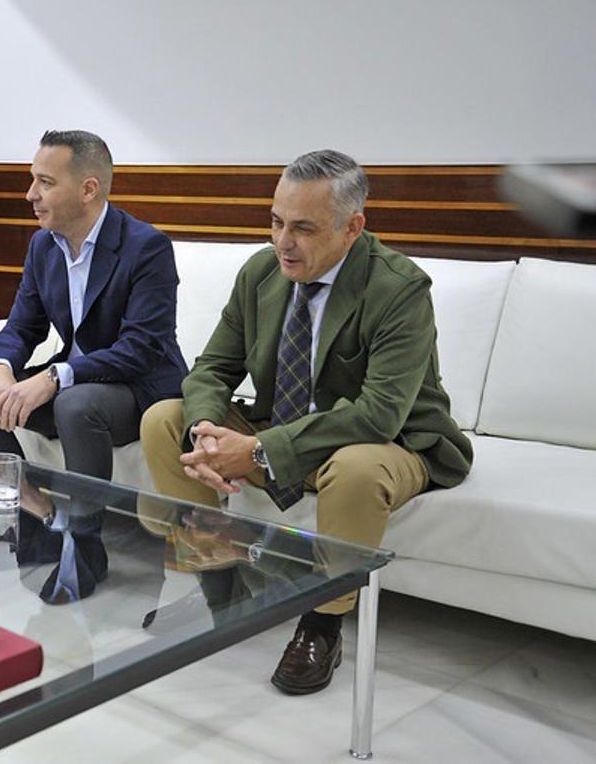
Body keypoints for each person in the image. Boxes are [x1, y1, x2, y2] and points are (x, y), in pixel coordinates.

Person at [140, 149, 472, 694]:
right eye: (275, 222)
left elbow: (379, 414)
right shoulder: (261, 273)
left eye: (302, 228)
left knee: (357, 469)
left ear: (352, 227)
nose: (282, 242)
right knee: (163, 418)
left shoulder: (399, 289)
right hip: (288, 429)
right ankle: (218, 586)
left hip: (392, 441)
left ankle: (323, 620)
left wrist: (258, 451)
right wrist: (204, 428)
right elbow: (212, 368)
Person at [0, 130, 187, 480]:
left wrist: (55, 377)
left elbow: (140, 349)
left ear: (88, 190)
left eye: (45, 182)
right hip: (75, 386)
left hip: (140, 389)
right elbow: (23, 327)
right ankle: (32, 517)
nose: (30, 194)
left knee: (75, 404)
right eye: (33, 180)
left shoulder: (147, 248)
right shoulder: (42, 246)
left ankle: (85, 532)